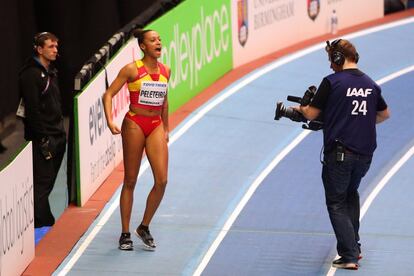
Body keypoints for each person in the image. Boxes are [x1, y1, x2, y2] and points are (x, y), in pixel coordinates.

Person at [295, 39, 390, 270]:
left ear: (338, 58)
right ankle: (354, 246)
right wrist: (360, 123)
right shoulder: (371, 84)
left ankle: (348, 255)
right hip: (365, 155)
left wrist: (301, 107)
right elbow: (384, 114)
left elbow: (311, 114)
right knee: (350, 195)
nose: (330, 66)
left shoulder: (332, 82)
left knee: (336, 202)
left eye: (331, 60)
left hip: (339, 155)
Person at [103, 29, 170, 251]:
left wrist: (166, 127)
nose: (158, 42)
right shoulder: (132, 69)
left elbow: (165, 100)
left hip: (155, 125)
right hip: (134, 124)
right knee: (130, 180)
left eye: (159, 39)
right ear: (143, 46)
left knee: (162, 181)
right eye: (153, 40)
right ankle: (124, 234)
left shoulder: (165, 71)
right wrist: (110, 120)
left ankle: (144, 226)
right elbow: (109, 94)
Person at [18, 32, 66, 228]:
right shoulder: (30, 75)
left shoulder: (50, 72)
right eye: (51, 47)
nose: (55, 50)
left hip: (57, 136)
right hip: (44, 140)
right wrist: (43, 138)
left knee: (48, 184)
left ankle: (43, 221)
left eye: (56, 47)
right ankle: (42, 225)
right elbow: (32, 110)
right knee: (42, 184)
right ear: (39, 49)